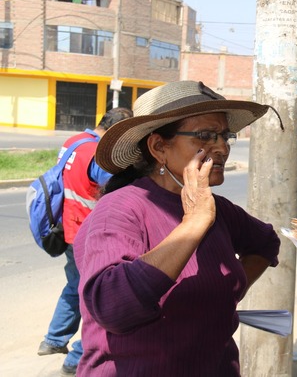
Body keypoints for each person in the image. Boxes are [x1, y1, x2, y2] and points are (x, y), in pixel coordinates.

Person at [73, 80, 282, 376]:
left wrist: (227, 293)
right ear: (159, 147)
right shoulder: (119, 209)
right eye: (205, 136)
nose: (222, 147)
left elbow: (265, 243)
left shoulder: (218, 209)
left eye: (225, 136)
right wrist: (194, 223)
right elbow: (112, 307)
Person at [38, 107, 133, 377]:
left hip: (67, 227)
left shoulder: (74, 141)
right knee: (94, 296)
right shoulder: (97, 153)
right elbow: (112, 186)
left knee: (75, 285)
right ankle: (75, 359)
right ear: (114, 131)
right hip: (87, 233)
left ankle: (54, 339)